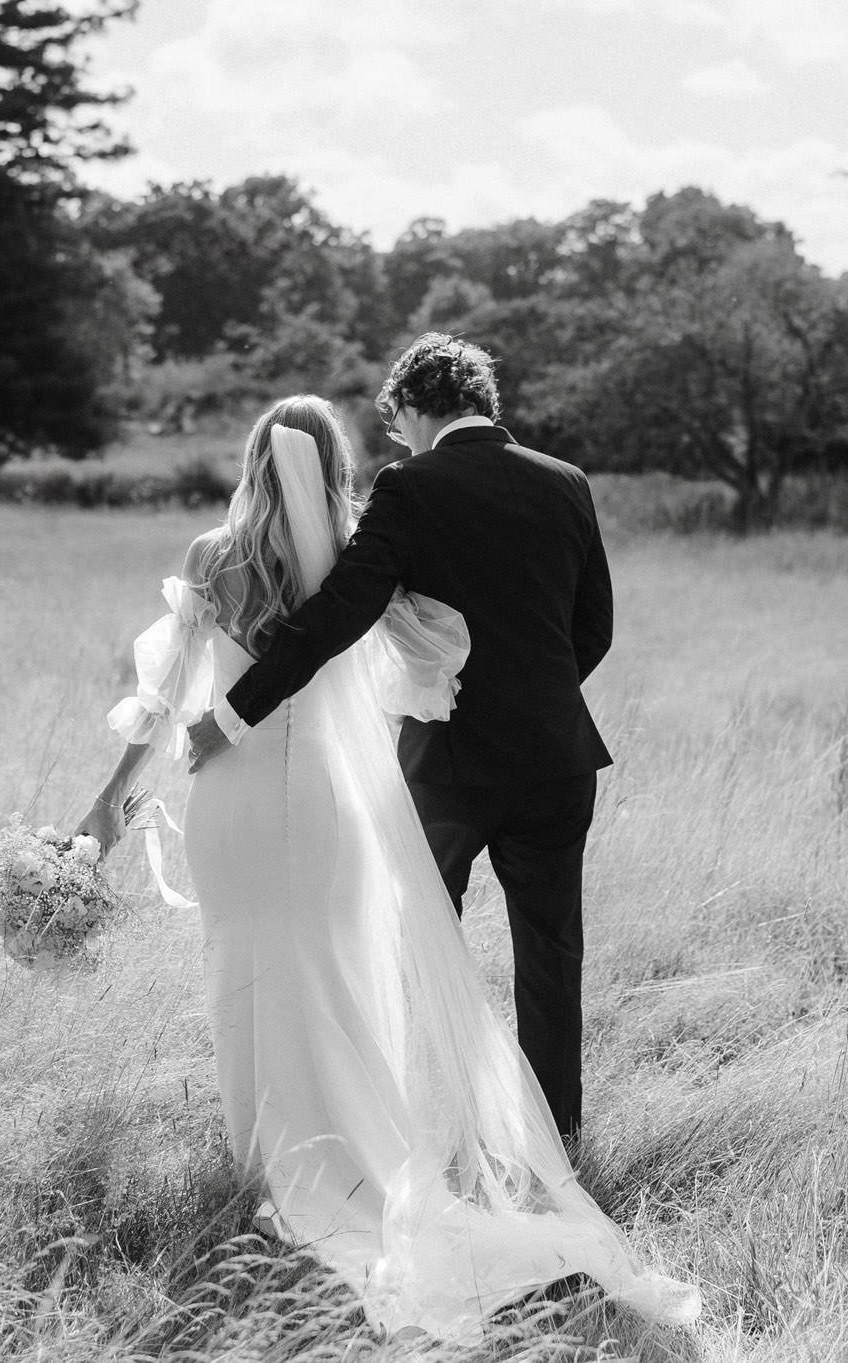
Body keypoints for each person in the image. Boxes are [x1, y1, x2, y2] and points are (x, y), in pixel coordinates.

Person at [82, 392, 694, 1339]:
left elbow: (161, 699)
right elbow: (440, 651)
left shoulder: (214, 557)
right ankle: (357, 1152)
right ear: (335, 465)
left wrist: (109, 802)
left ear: (252, 461)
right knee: (334, 978)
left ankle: (268, 1164)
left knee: (240, 968)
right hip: (332, 806)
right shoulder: (359, 549)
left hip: (231, 800)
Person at [186, 334, 610, 1145]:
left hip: (450, 765)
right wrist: (534, 698)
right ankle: (556, 1138)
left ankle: (429, 1126)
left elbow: (341, 612)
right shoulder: (567, 481)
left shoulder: (410, 485)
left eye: (398, 423)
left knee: (414, 943)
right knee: (553, 955)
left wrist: (236, 712)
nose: (400, 439)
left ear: (413, 405)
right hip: (559, 760)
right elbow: (594, 629)